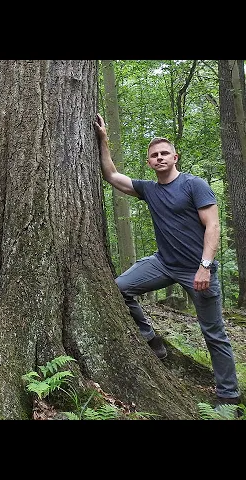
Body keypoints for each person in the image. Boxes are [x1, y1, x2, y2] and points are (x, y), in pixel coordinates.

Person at [94, 113, 242, 412]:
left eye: (164, 153)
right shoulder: (149, 190)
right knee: (118, 289)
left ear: (175, 157)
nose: (159, 157)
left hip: (197, 270)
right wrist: (103, 139)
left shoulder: (194, 184)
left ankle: (229, 398)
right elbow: (111, 175)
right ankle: (151, 339)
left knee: (214, 334)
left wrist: (205, 266)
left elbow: (213, 226)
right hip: (163, 264)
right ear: (149, 162)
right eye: (154, 155)